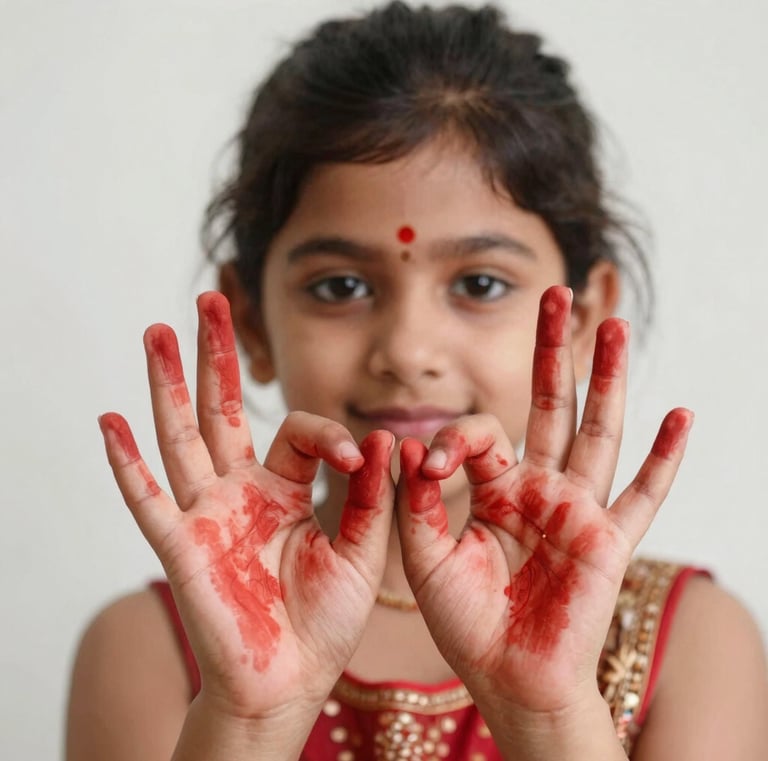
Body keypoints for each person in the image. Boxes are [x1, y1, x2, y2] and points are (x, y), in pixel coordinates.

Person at [66, 3, 768, 760]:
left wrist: (550, 713)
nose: (407, 350)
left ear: (581, 318)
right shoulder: (151, 646)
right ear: (253, 323)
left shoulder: (692, 641)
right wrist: (248, 718)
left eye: (480, 283)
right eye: (340, 286)